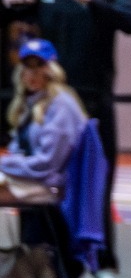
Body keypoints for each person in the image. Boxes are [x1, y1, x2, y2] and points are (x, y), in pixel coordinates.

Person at [1, 0, 131, 278]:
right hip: (48, 104)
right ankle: (37, 265)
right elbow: (10, 10)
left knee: (97, 185)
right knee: (41, 183)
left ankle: (103, 266)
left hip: (93, 104)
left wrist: (89, 0)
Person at [1, 40, 88, 207]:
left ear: (51, 70)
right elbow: (17, 150)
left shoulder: (61, 104)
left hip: (50, 185)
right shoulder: (30, 102)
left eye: (39, 65)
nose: (33, 73)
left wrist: (4, 164)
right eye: (27, 66)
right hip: (31, 179)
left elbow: (47, 164)